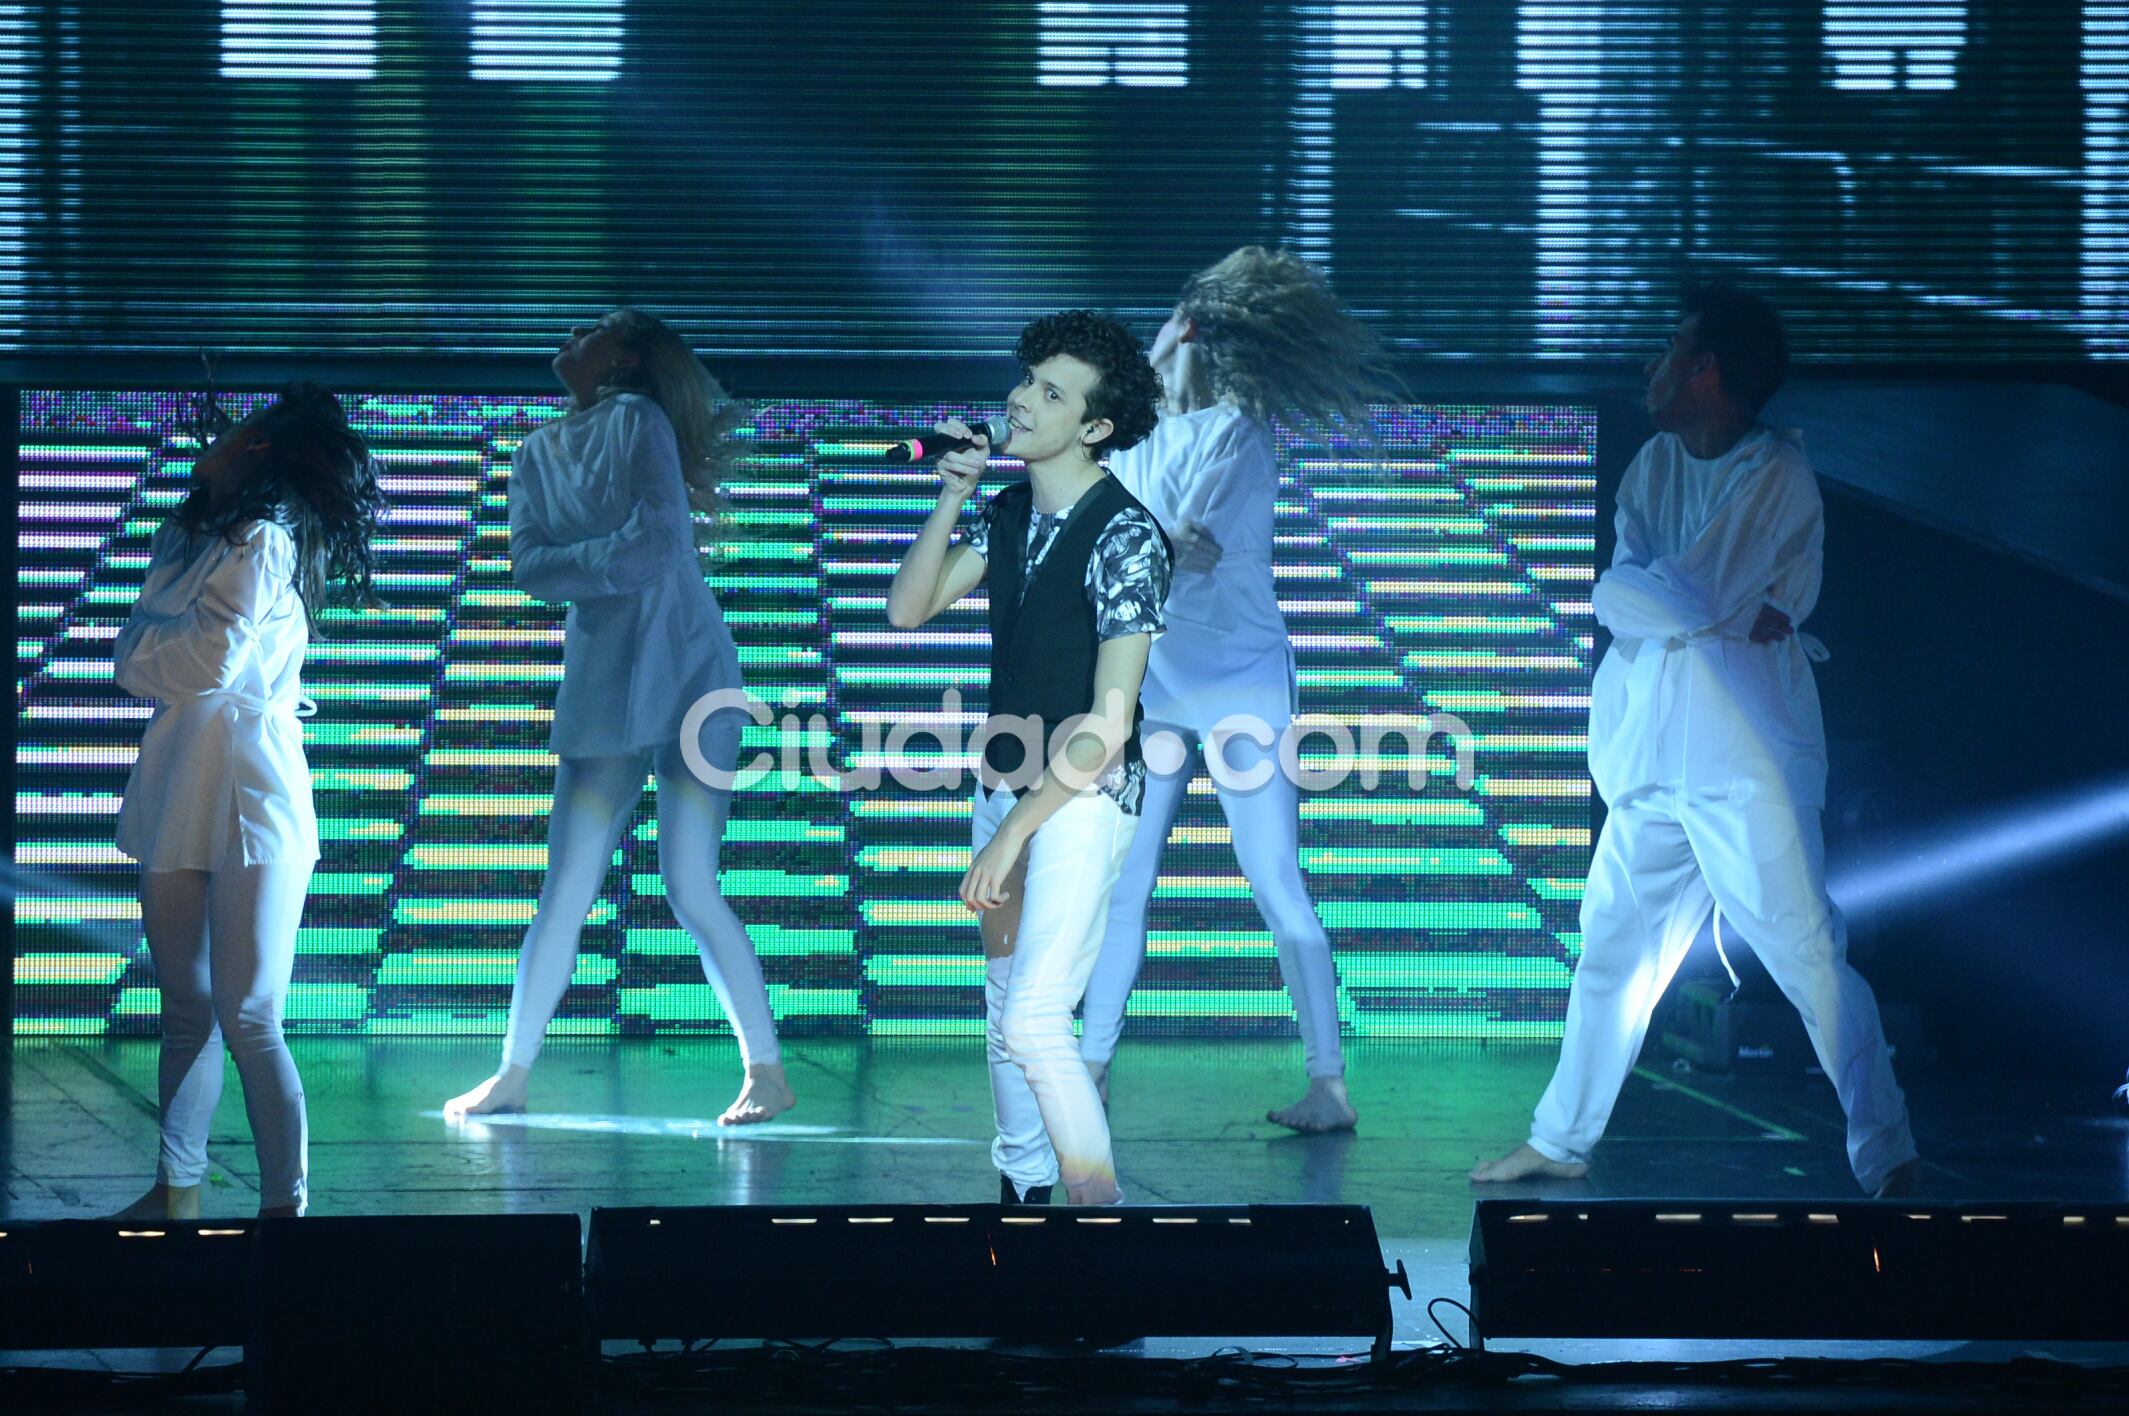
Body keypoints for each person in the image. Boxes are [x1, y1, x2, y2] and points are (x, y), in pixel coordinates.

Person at [1470, 283, 1920, 1197]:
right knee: (1611, 952)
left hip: (1743, 761)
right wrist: (1680, 607)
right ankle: (1560, 1137)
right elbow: (1645, 594)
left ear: (1705, 368)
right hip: (1646, 757)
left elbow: (1673, 596)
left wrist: (1668, 605)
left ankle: (1886, 1152)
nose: (1652, 365)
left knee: (1803, 953)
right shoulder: (1653, 467)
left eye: (1670, 347)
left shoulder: (1774, 475)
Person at [1080, 247, 1400, 1133]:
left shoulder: (1236, 432)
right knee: (1124, 879)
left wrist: (1139, 544)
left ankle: (1328, 1083)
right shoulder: (1138, 436)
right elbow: (1143, 539)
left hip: (1238, 690)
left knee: (1271, 879)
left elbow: (1178, 548)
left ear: (1182, 328)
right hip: (1158, 680)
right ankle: (1089, 1066)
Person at [445, 309, 791, 1126]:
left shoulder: (638, 420)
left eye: (591, 330)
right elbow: (531, 567)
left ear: (625, 357)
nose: (567, 338)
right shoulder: (533, 450)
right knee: (566, 889)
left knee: (688, 884)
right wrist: (605, 556)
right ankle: (513, 1072)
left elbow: (658, 545)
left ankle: (765, 1071)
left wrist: (584, 563)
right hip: (605, 687)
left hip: (687, 674)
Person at [886, 310, 1170, 1206]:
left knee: (1040, 1022)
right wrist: (950, 493)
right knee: (1003, 1007)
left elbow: (1109, 721)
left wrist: (1012, 835)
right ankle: (1025, 1192)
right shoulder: (1010, 514)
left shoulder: (1126, 537)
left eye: (1054, 393)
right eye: (1027, 379)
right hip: (1004, 780)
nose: (1022, 399)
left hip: (1078, 801)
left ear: (1094, 428)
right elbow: (908, 610)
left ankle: (1098, 1218)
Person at [114, 382, 385, 1219]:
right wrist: (153, 651)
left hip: (252, 784)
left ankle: (284, 1214)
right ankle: (176, 1191)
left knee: (251, 1015)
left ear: (259, 448)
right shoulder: (188, 535)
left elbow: (196, 663)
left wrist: (148, 648)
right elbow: (146, 658)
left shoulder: (262, 539)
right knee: (186, 1010)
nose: (218, 437)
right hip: (179, 776)